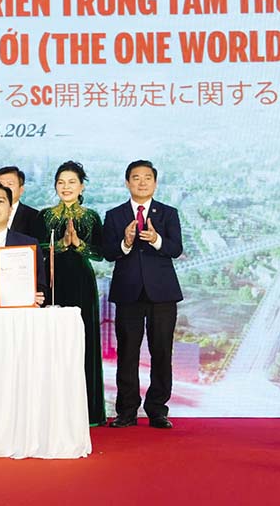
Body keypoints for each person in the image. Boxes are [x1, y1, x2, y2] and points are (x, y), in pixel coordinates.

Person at [101, 160, 183, 429]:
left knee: (162, 352)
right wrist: (125, 242)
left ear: (155, 183)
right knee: (127, 353)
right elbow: (107, 252)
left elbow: (176, 249)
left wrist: (156, 239)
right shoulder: (114, 215)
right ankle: (126, 411)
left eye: (148, 177)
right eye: (136, 177)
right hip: (128, 293)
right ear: (127, 183)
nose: (142, 182)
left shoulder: (168, 213)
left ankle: (157, 410)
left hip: (163, 293)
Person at [36, 160, 105, 426]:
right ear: (55, 186)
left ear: (81, 186)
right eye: (61, 182)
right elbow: (35, 247)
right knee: (51, 342)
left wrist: (79, 244)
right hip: (52, 280)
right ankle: (52, 411)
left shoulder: (92, 216)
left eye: (72, 182)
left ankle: (88, 412)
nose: (66, 187)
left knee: (83, 342)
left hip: (82, 282)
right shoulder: (44, 216)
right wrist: (60, 244)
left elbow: (100, 254)